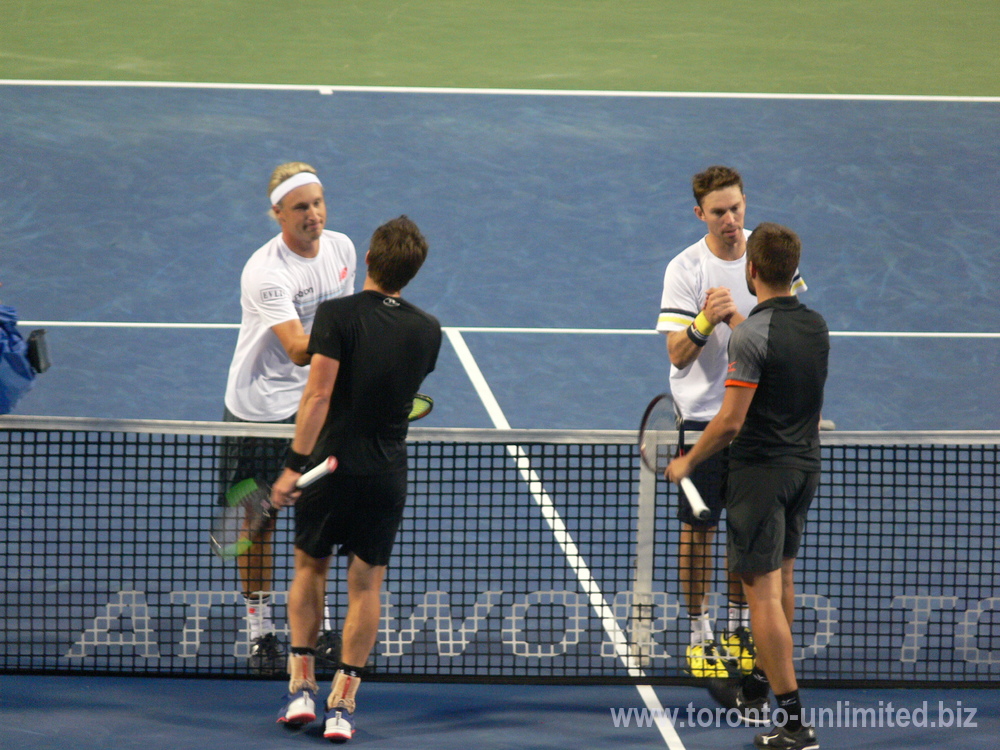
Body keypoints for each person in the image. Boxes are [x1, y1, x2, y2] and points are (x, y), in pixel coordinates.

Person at [269, 215, 442, 742]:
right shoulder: (428, 331)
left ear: (367, 259)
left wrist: (292, 467)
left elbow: (318, 396)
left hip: (327, 471)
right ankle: (342, 708)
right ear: (410, 273)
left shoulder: (336, 314)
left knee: (309, 569)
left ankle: (302, 691)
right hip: (385, 474)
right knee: (366, 584)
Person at [668, 222, 828, 750]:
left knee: (760, 596)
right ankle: (762, 677)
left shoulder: (751, 336)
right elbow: (806, 394)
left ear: (752, 272)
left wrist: (689, 459)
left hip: (760, 476)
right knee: (781, 580)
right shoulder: (816, 326)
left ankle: (792, 724)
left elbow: (731, 423)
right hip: (805, 468)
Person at [656, 166, 807, 679]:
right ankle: (699, 634)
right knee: (698, 532)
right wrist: (703, 321)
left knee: (748, 535)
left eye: (736, 208)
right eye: (718, 211)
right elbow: (678, 355)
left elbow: (785, 329)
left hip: (756, 425)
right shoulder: (684, 268)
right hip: (703, 420)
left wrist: (735, 322)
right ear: (700, 213)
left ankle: (742, 625)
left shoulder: (764, 257)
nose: (730, 220)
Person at [221, 162, 357, 673]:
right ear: (277, 213)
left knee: (315, 521)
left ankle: (314, 626)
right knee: (255, 523)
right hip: (257, 414)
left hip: (314, 408)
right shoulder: (266, 271)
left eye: (318, 202)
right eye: (301, 207)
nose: (314, 215)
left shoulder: (342, 248)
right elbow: (300, 349)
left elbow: (345, 323)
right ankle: (259, 629)